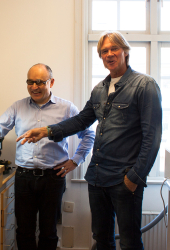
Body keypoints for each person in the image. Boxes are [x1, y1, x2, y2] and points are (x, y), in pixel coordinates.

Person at [17, 31, 162, 250]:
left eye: (114, 49)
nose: (109, 54)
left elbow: (152, 137)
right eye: (104, 51)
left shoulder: (144, 85)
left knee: (130, 241)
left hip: (125, 179)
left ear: (125, 51)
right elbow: (81, 121)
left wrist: (135, 176)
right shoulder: (100, 90)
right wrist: (47, 130)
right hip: (97, 177)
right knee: (101, 239)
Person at [0, 63, 95, 250]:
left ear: (51, 82)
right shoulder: (18, 107)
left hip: (53, 178)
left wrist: (76, 160)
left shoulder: (67, 108)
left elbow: (88, 134)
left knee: (48, 232)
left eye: (39, 82)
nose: (34, 87)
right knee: (24, 231)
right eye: (30, 82)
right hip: (24, 178)